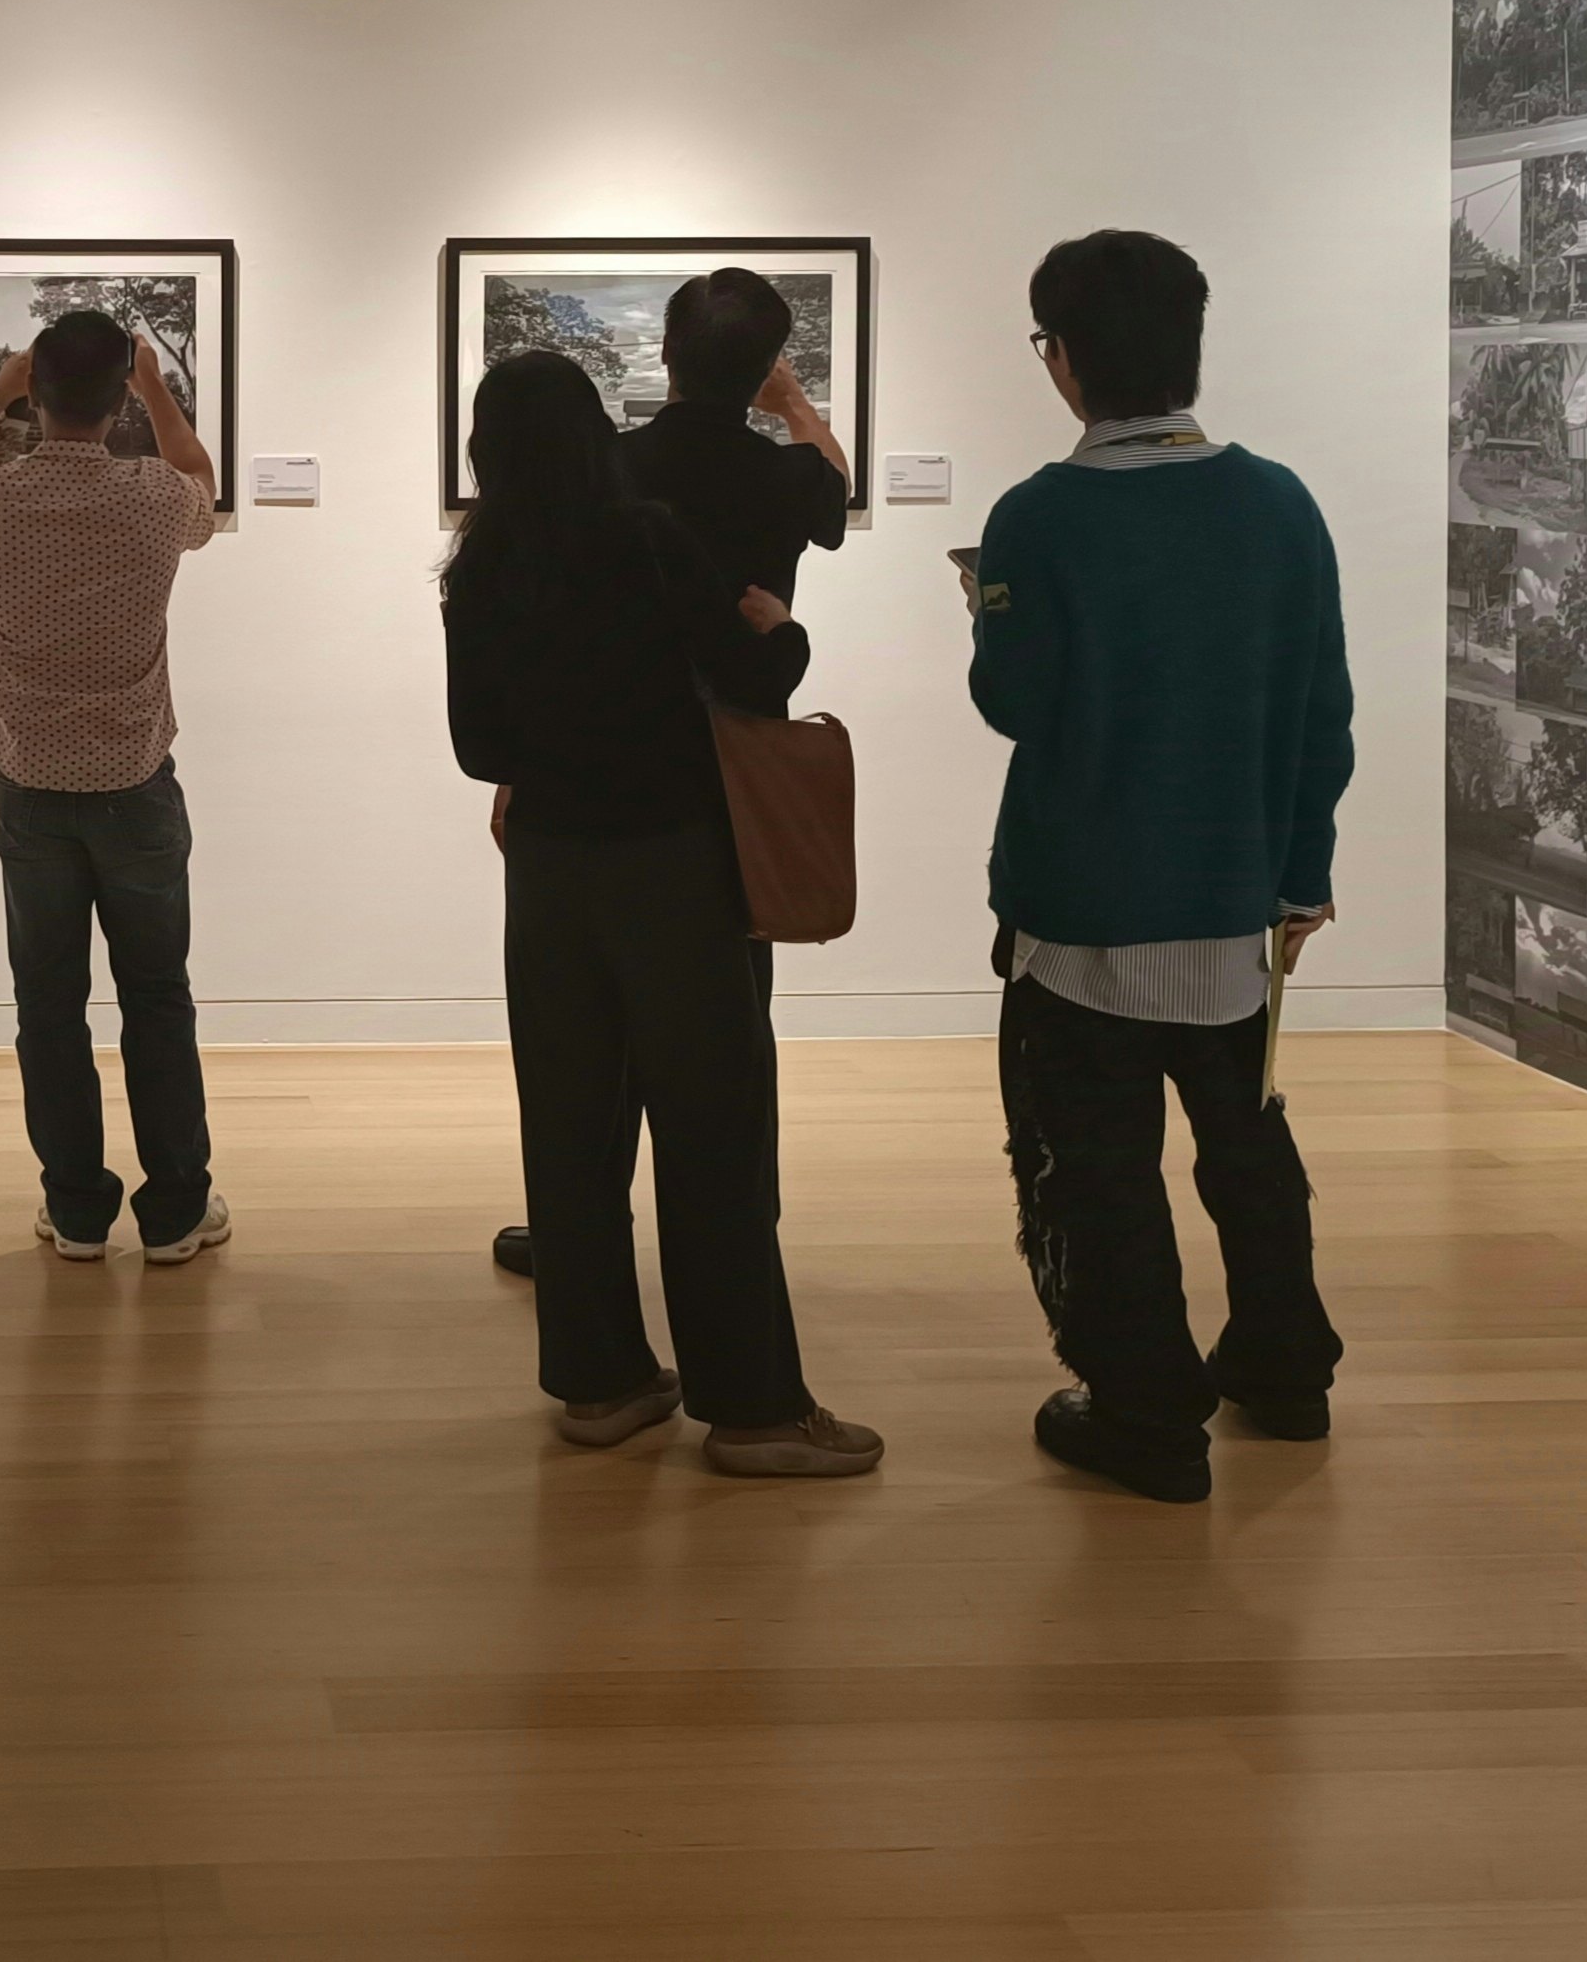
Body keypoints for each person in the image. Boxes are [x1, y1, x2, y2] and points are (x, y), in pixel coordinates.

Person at [444, 349, 882, 1476]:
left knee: (571, 1124)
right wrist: (781, 625)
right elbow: (753, 680)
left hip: (547, 871)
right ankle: (752, 1409)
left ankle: (599, 1384)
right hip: (676, 866)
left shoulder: (478, 565)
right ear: (595, 433)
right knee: (712, 1130)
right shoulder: (649, 542)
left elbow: (479, 748)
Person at [965, 230, 1352, 1505]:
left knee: (1096, 1164)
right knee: (1245, 1143)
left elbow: (1012, 704)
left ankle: (1144, 1410)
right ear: (1189, 348)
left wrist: (988, 610)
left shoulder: (1036, 515)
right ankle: (1284, 1370)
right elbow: (1319, 711)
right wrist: (1301, 876)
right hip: (1236, 901)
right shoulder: (1280, 502)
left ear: (1063, 360)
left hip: (1082, 908)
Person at [493, 267, 851, 1280]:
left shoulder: (608, 464)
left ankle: (579, 1223)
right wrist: (786, 402)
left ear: (665, 352)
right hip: (734, 765)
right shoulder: (784, 477)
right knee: (731, 1015)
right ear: (761, 365)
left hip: (603, 756)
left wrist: (520, 768)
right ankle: (740, 1220)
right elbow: (833, 481)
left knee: (589, 1028)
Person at [0, 310, 227, 1266]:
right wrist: (154, 387)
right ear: (120, 391)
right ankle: (178, 1210)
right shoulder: (152, 498)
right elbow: (204, 483)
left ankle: (77, 1212)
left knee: (47, 1006)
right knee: (157, 997)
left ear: (35, 389)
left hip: (28, 784)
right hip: (137, 784)